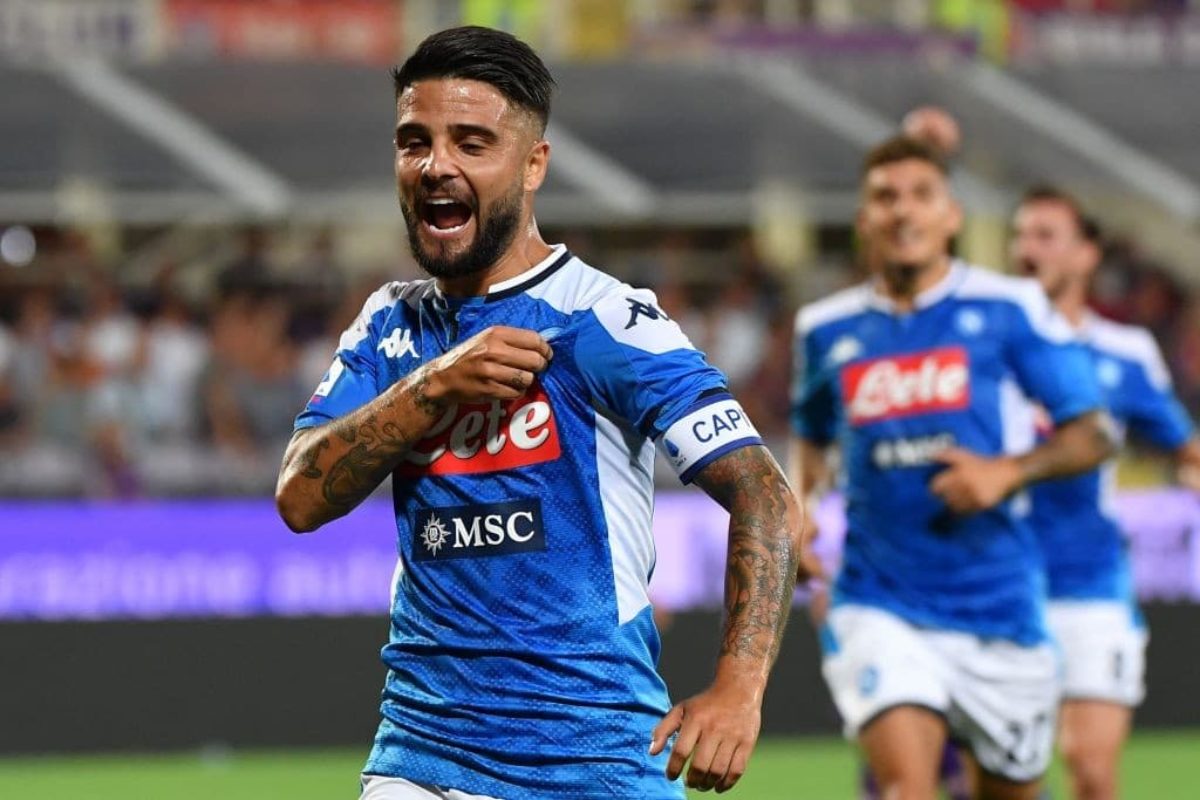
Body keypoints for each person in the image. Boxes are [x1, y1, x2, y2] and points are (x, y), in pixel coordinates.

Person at [275, 26, 802, 800]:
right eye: (414, 142)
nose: (435, 166)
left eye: (471, 143)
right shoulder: (391, 326)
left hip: (594, 758)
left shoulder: (602, 319)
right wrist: (433, 388)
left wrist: (739, 689)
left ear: (533, 165)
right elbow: (299, 496)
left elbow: (764, 492)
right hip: (422, 756)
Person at [790, 136, 1113, 800]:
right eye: (886, 197)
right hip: (880, 602)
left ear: (952, 216)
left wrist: (1008, 472)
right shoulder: (825, 328)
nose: (903, 211)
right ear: (864, 219)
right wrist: (801, 507)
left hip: (1000, 608)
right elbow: (813, 436)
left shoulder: (1009, 308)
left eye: (921, 195)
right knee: (904, 789)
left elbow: (1094, 433)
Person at [1011, 185, 1200, 800]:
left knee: (1091, 769)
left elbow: (1184, 449)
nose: (1026, 249)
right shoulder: (984, 345)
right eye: (1020, 235)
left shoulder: (1125, 352)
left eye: (1045, 235)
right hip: (999, 584)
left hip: (1091, 584)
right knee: (1006, 779)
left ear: (1086, 254)